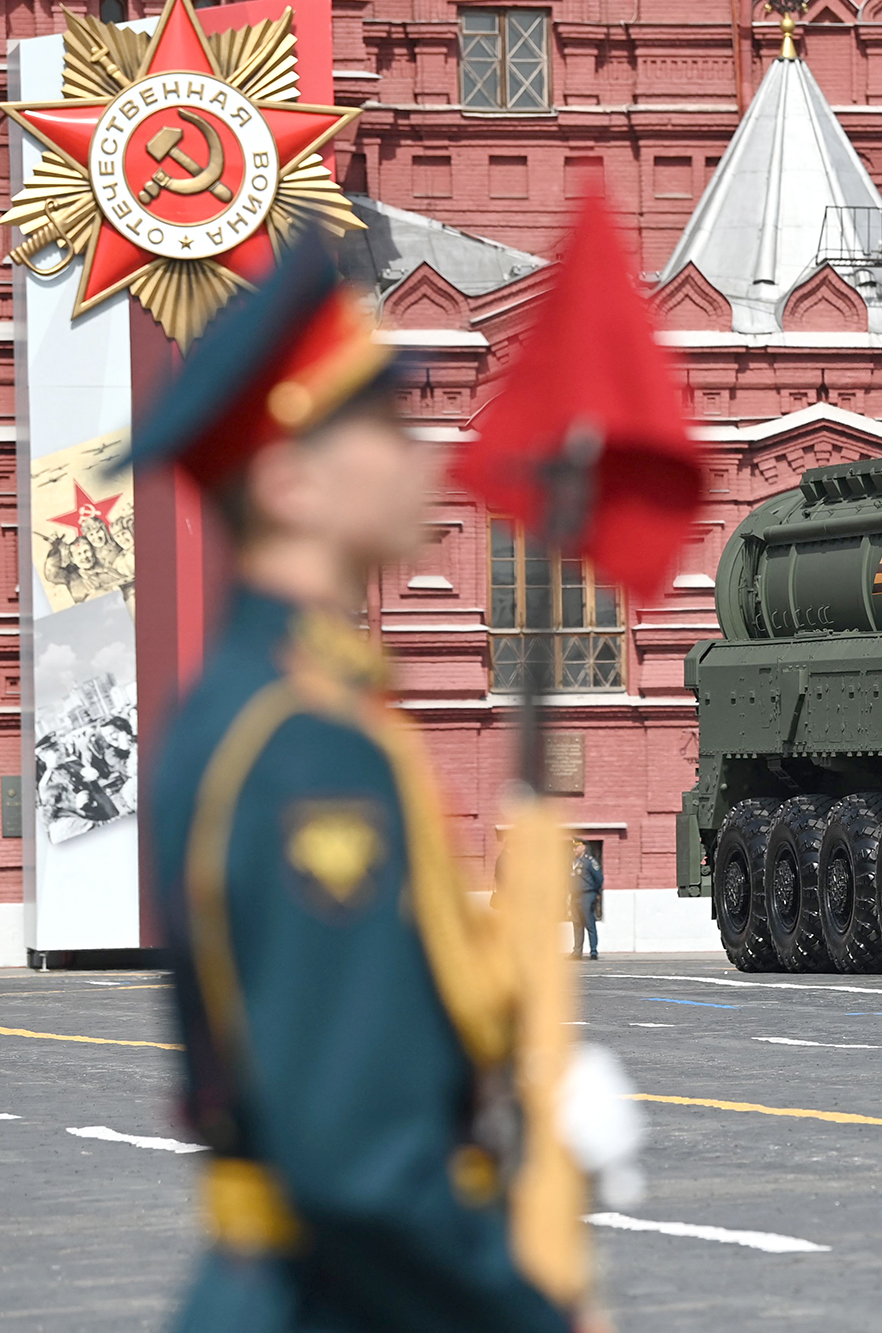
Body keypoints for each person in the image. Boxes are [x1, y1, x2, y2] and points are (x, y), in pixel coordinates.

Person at [133, 245, 581, 1332]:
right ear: (289, 483)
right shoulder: (305, 750)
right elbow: (356, 1161)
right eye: (380, 427)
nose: (416, 452)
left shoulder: (274, 709)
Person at [570, 840, 603, 961]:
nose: (574, 850)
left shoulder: (589, 862)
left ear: (583, 847)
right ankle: (577, 952)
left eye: (576, 847)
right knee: (577, 925)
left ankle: (593, 951)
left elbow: (599, 878)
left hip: (587, 895)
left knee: (589, 923)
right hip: (575, 896)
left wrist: (594, 892)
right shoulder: (573, 862)